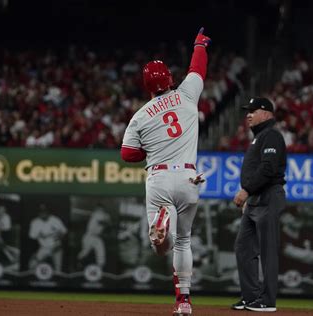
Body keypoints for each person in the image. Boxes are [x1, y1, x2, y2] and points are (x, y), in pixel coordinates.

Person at [121, 27, 211, 316]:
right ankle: (183, 301)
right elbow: (197, 68)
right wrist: (199, 45)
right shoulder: (187, 94)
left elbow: (127, 154)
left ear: (146, 85)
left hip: (159, 177)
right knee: (183, 241)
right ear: (171, 79)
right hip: (189, 177)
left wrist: (152, 146)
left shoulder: (140, 116)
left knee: (160, 247)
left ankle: (162, 221)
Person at [232, 97, 287, 312]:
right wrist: (250, 196)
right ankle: (251, 296)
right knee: (243, 248)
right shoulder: (261, 137)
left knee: (267, 250)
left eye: (253, 110)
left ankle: (267, 300)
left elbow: (268, 169)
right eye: (248, 110)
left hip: (268, 196)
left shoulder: (271, 135)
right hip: (256, 199)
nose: (248, 114)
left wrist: (246, 191)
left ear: (266, 113)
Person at [28, 203, 67, 272]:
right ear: (38, 213)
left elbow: (64, 231)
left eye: (45, 211)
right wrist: (39, 234)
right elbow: (32, 236)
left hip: (56, 247)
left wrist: (59, 236)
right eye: (41, 212)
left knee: (58, 271)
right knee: (32, 265)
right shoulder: (35, 222)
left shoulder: (55, 220)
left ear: (48, 212)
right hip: (44, 248)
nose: (43, 213)